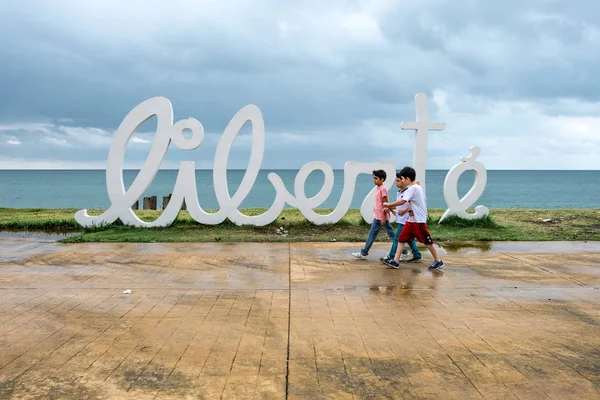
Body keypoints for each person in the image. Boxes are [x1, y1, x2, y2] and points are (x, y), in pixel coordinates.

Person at [382, 166, 444, 271]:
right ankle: (395, 261)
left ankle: (438, 261)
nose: (401, 181)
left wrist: (388, 205)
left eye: (402, 179)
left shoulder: (414, 188)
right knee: (401, 238)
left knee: (427, 241)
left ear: (407, 178)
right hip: (410, 220)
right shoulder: (414, 188)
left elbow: (402, 201)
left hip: (418, 221)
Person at [352, 170, 395, 260]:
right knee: (373, 234)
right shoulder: (378, 188)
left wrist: (383, 218)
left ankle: (403, 251)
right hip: (377, 217)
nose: (374, 180)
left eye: (376, 178)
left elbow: (385, 204)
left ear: (382, 179)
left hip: (381, 218)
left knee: (390, 235)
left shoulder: (383, 189)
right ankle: (364, 253)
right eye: (374, 178)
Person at [381, 172, 422, 264]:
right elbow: (399, 205)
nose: (396, 183)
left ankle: (391, 256)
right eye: (396, 181)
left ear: (404, 181)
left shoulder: (408, 192)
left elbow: (410, 204)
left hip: (406, 219)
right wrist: (390, 208)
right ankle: (417, 254)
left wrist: (403, 211)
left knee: (397, 238)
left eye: (399, 181)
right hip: (402, 219)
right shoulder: (399, 192)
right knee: (408, 238)